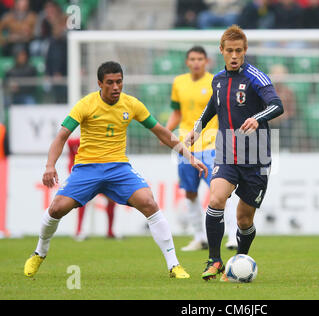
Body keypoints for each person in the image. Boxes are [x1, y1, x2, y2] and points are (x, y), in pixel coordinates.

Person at [24, 61, 208, 279]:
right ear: (99, 83)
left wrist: (189, 156)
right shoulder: (86, 104)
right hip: (87, 168)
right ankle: (39, 253)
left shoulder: (131, 104)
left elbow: (161, 132)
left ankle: (174, 265)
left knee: (149, 202)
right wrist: (49, 165)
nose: (115, 87)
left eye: (119, 82)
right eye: (110, 83)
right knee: (56, 209)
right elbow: (62, 136)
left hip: (118, 169)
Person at [185, 25, 284, 281]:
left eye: (238, 51)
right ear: (221, 51)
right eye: (229, 50)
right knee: (216, 200)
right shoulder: (217, 79)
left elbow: (277, 105)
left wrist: (256, 118)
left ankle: (239, 260)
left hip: (256, 157)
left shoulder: (256, 77)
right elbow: (211, 109)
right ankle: (215, 260)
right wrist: (196, 130)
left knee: (243, 220)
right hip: (228, 153)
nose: (234, 55)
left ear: (245, 50)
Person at [165, 46, 237, 251]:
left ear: (206, 61)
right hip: (185, 146)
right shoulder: (179, 82)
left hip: (212, 144)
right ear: (187, 62)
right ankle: (200, 237)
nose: (196, 62)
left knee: (220, 191)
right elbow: (177, 113)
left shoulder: (216, 81)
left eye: (200, 59)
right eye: (192, 59)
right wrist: (166, 131)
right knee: (189, 192)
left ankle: (232, 235)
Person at [67, 137, 117, 240]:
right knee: (82, 201)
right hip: (85, 177)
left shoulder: (103, 141)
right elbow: (71, 161)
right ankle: (79, 231)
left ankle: (110, 232)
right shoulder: (74, 143)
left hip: (101, 175)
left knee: (112, 199)